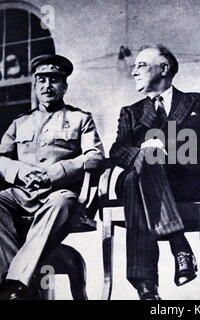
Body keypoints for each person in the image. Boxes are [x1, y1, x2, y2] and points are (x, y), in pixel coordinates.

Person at [109, 44, 200, 300]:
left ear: (164, 68)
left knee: (136, 181)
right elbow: (117, 150)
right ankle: (179, 246)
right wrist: (145, 151)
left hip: (187, 183)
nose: (134, 72)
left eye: (141, 65)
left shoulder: (198, 101)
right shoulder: (131, 112)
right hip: (143, 181)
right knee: (145, 162)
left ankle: (145, 286)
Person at [0, 54, 104, 300]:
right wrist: (20, 171)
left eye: (54, 80)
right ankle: (10, 280)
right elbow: (0, 157)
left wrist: (54, 173)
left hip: (58, 196)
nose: (47, 86)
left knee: (61, 201)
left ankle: (15, 282)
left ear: (64, 86)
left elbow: (95, 156)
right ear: (35, 86)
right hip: (23, 194)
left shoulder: (80, 119)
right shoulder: (20, 123)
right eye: (41, 81)